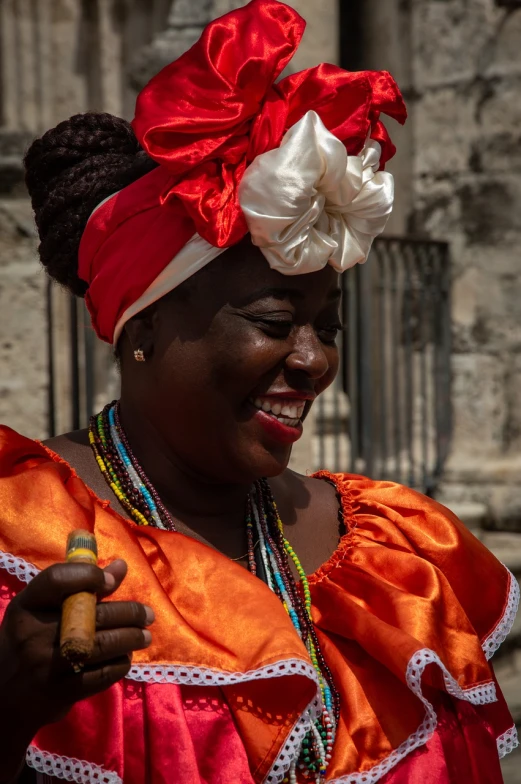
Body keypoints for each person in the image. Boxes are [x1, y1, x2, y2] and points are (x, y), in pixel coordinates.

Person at [0, 1, 517, 783]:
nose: (313, 361)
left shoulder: (398, 555)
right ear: (141, 329)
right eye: (274, 320)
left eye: (328, 327)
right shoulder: (23, 540)